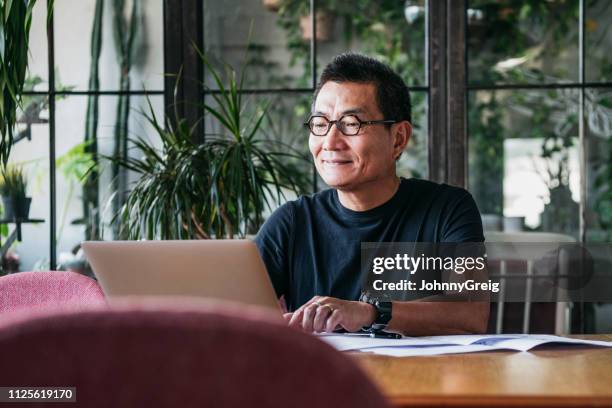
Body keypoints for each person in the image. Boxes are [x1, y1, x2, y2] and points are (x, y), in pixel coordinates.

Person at [255, 53, 489, 336]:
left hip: (421, 379)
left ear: (398, 138)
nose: (330, 141)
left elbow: (470, 312)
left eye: (351, 123)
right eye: (320, 123)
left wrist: (369, 312)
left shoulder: (446, 209)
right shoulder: (290, 224)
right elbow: (231, 315)